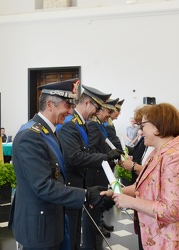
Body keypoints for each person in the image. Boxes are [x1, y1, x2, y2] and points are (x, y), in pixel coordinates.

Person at [8, 79, 114, 250]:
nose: (71, 111)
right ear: (50, 104)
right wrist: (86, 195)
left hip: (52, 217)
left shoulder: (48, 131)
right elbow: (43, 186)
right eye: (67, 105)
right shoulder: (31, 135)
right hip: (38, 225)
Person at [102, 103, 179, 250]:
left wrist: (129, 202)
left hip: (174, 242)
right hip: (157, 236)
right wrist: (118, 193)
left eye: (143, 126)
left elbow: (171, 210)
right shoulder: (158, 152)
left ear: (157, 126)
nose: (141, 131)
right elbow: (146, 185)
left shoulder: (176, 158)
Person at [57, 85, 122, 250]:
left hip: (80, 185)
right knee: (71, 234)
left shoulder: (82, 123)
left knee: (76, 232)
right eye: (97, 107)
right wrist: (105, 156)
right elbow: (74, 157)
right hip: (71, 185)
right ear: (87, 102)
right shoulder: (70, 124)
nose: (98, 112)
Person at [85, 98, 118, 244]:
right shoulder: (93, 125)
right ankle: (90, 242)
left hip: (103, 170)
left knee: (99, 205)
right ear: (100, 110)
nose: (110, 115)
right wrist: (107, 156)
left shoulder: (100, 125)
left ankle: (97, 229)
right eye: (108, 111)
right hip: (96, 172)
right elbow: (91, 150)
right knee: (93, 208)